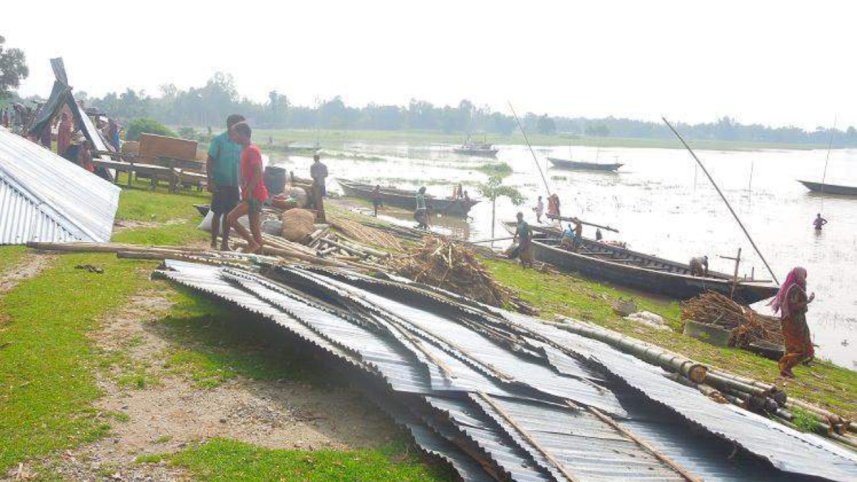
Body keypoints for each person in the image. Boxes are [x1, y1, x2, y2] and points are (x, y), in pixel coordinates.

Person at [226, 122, 268, 254]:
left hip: (254, 195)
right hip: (253, 193)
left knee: (230, 218)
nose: (232, 137)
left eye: (234, 134)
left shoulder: (251, 150)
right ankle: (260, 257)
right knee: (255, 228)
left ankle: (252, 244)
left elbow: (258, 171)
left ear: (242, 134)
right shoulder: (245, 150)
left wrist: (249, 190)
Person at [207, 114, 245, 250]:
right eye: (240, 125)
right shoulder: (219, 140)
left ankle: (224, 243)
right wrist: (210, 181)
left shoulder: (240, 143)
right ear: (232, 125)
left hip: (234, 183)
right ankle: (213, 242)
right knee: (217, 213)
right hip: (220, 182)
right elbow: (210, 161)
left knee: (229, 215)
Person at [770, 267, 815, 378]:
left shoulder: (791, 287)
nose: (804, 278)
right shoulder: (794, 288)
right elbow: (793, 306)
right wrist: (808, 301)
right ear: (798, 276)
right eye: (802, 275)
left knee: (791, 347)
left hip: (794, 321)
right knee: (802, 349)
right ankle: (787, 368)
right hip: (794, 323)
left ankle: (785, 369)